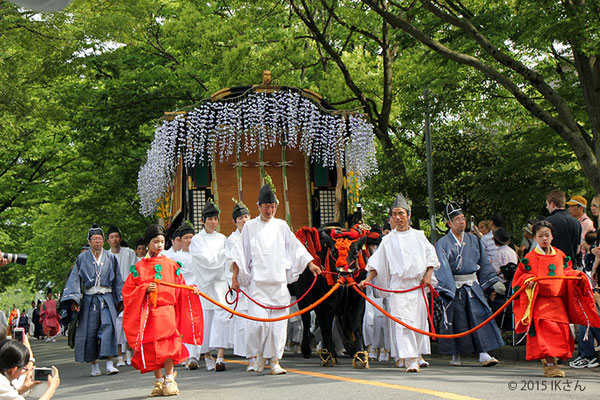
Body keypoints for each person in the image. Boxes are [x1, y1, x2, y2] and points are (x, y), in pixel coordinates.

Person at [231, 178, 321, 375]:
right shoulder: (249, 227)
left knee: (278, 327)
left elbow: (296, 248)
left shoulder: (281, 226)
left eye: (272, 206)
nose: (269, 210)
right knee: (258, 325)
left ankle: (274, 361)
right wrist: (235, 278)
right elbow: (240, 254)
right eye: (266, 206)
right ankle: (258, 357)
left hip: (278, 284)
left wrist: (310, 263)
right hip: (259, 285)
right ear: (258, 206)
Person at [359, 193, 439, 372]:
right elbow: (377, 264)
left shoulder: (419, 235)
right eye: (395, 214)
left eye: (401, 213)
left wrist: (428, 275)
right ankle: (410, 358)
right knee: (403, 323)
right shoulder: (387, 240)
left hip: (416, 286)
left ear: (408, 215)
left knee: (418, 322)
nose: (398, 217)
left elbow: (431, 257)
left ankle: (417, 354)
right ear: (391, 218)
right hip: (398, 287)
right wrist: (368, 279)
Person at [122, 224, 203, 397]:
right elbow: (128, 292)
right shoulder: (138, 268)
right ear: (148, 243)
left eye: (161, 241)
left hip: (167, 311)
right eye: (155, 241)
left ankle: (169, 378)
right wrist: (144, 288)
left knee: (169, 346)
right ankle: (158, 381)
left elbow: (180, 286)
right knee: (152, 348)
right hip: (149, 314)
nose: (159, 245)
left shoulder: (171, 265)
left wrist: (191, 289)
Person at [512, 220, 600, 377]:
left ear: (552, 236)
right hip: (540, 302)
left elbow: (567, 272)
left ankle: (553, 362)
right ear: (535, 237)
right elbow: (520, 277)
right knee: (546, 333)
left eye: (547, 235)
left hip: (557, 302)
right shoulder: (530, 257)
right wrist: (528, 281)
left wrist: (578, 276)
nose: (544, 239)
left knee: (560, 332)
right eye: (540, 236)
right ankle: (550, 365)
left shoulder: (560, 255)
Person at [434, 201, 503, 366]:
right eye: (457, 219)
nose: (461, 222)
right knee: (456, 320)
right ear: (449, 223)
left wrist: (492, 282)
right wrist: (447, 288)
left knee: (479, 317)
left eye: (463, 218)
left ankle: (483, 353)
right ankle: (455, 354)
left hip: (472, 284)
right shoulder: (442, 243)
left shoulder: (474, 239)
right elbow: (442, 267)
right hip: (453, 285)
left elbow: (484, 262)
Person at [61, 224, 123, 376]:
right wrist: (74, 300)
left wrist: (121, 299)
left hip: (107, 297)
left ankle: (109, 364)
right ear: (89, 242)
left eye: (100, 239)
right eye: (94, 239)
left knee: (109, 329)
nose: (97, 242)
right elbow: (75, 279)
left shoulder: (111, 257)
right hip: (89, 298)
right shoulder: (82, 258)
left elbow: (118, 281)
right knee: (90, 331)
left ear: (104, 241)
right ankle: (94, 365)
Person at [188, 201, 231, 372]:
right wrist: (220, 255)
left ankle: (220, 355)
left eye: (215, 219)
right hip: (205, 285)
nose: (213, 222)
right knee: (206, 320)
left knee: (222, 317)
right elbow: (205, 261)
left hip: (220, 284)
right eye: (210, 219)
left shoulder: (222, 238)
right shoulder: (196, 240)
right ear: (202, 220)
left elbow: (226, 262)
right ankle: (206, 355)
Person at [224, 201, 254, 371]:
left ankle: (261, 355)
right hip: (242, 287)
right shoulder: (232, 240)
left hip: (257, 286)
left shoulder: (256, 235)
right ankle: (250, 357)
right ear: (235, 221)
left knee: (259, 322)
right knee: (244, 323)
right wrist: (235, 281)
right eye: (241, 218)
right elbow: (231, 263)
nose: (244, 220)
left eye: (246, 216)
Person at [170, 222, 201, 370]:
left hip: (198, 293)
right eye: (186, 238)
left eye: (191, 237)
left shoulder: (199, 255)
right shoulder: (175, 258)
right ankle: (186, 355)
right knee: (183, 324)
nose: (189, 240)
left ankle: (196, 355)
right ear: (179, 240)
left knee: (197, 324)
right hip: (182, 293)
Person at [106, 226, 137, 367]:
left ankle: (129, 352)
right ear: (108, 240)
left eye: (117, 236)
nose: (115, 239)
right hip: (113, 293)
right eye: (112, 237)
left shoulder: (129, 253)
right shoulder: (106, 256)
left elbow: (136, 271)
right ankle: (119, 355)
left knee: (129, 323)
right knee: (116, 324)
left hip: (129, 291)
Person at [545, 190, 581, 262]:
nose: (546, 207)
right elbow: (577, 250)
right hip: (570, 267)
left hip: (553, 266)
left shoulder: (548, 222)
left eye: (547, 204)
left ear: (552, 204)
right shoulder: (577, 222)